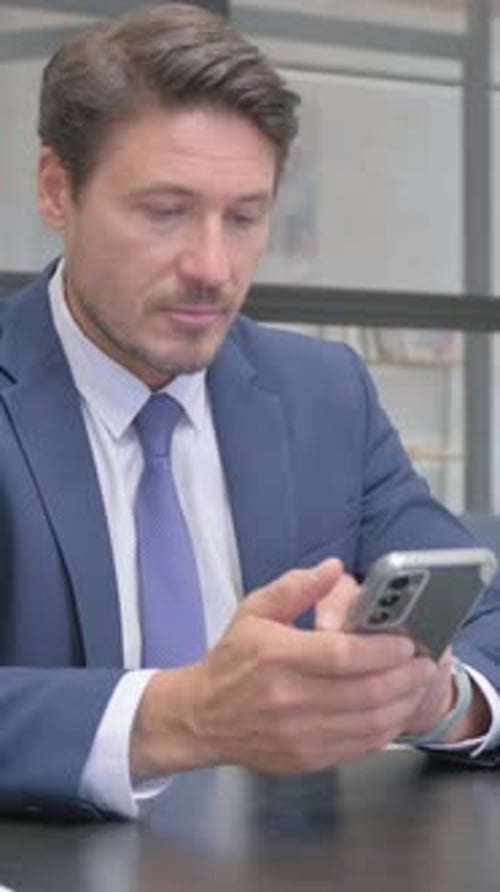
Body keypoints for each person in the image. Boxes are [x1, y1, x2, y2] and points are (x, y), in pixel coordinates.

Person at [0, 2, 499, 823]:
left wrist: (432, 697)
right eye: (164, 211)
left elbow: (485, 614)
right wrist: (182, 716)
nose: (213, 266)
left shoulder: (324, 392)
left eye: (245, 216)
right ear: (58, 189)